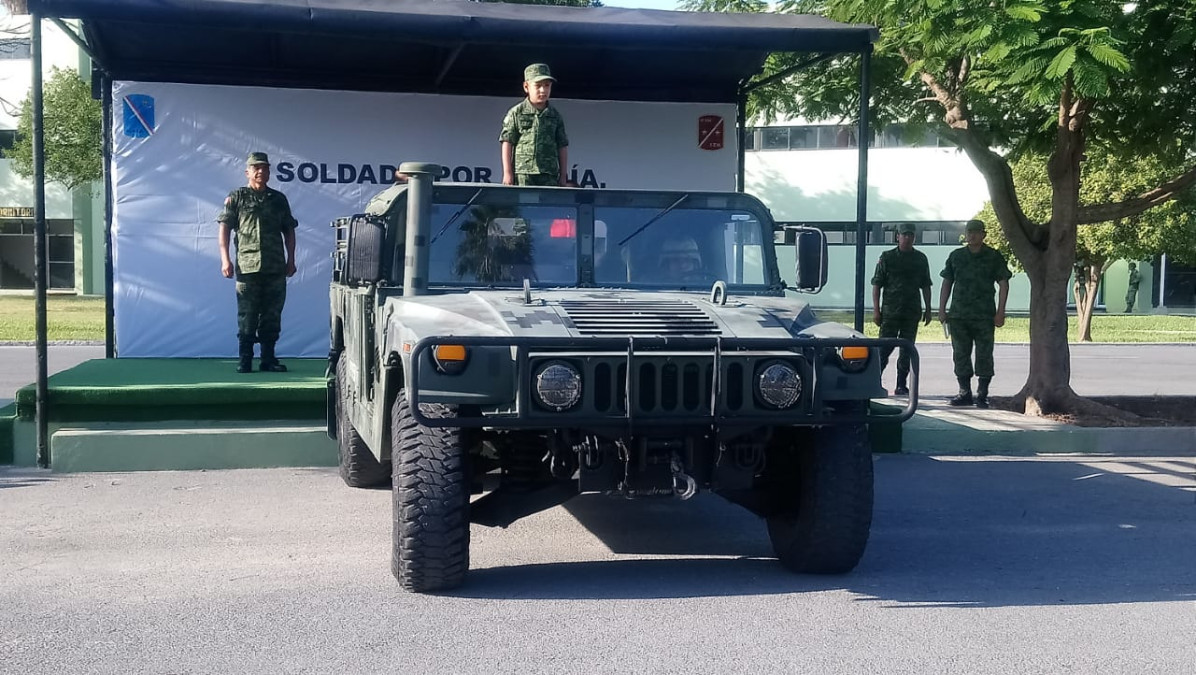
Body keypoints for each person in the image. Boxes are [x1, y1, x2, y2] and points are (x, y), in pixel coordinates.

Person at [218, 152, 298, 374]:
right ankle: (245, 359)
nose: (261, 171)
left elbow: (289, 231)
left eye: (265, 168)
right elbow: (224, 228)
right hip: (247, 267)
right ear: (248, 172)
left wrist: (291, 259)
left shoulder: (278, 199)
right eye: (256, 168)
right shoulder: (237, 197)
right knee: (248, 314)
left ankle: (268, 359)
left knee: (272, 315)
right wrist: (225, 259)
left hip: (275, 267)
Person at [938, 219, 1011, 408]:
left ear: (983, 235)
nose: (972, 235)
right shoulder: (956, 256)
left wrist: (1001, 311)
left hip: (984, 316)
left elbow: (1003, 283)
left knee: (984, 354)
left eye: (976, 232)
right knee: (960, 354)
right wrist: (942, 309)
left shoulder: (993, 256)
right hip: (959, 315)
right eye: (969, 232)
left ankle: (982, 394)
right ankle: (964, 392)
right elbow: (947, 282)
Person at [871, 222, 932, 396]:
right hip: (890, 312)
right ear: (897, 236)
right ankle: (874, 381)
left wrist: (928, 308)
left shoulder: (920, 258)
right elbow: (877, 285)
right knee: (884, 348)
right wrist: (876, 310)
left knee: (907, 349)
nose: (907, 238)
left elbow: (926, 285)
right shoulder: (887, 257)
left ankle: (901, 384)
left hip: (911, 312)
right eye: (904, 235)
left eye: (910, 235)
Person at [499, 63, 569, 187]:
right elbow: (507, 142)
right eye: (538, 86)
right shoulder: (516, 112)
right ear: (526, 87)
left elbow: (562, 145)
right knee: (524, 199)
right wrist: (507, 173)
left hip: (549, 173)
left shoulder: (555, 116)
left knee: (547, 200)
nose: (543, 90)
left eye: (547, 85)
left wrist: (563, 175)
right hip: (523, 173)